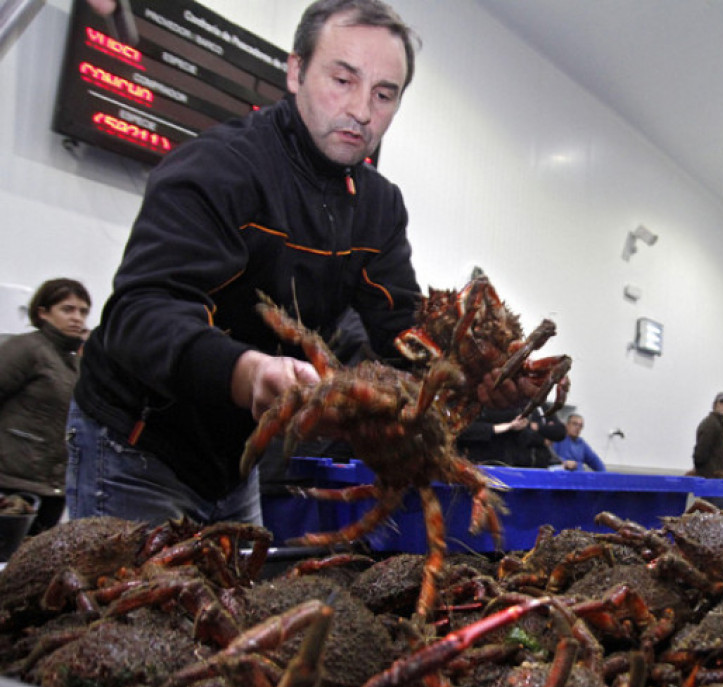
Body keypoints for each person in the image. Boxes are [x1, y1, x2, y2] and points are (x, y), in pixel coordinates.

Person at [66, 0, 526, 527]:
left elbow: (401, 333)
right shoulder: (219, 166)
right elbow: (142, 312)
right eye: (342, 79)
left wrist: (479, 376)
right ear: (296, 70)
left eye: (384, 94)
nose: (361, 110)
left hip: (240, 460)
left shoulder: (380, 206)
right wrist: (250, 372)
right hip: (137, 444)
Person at [0, 279, 91, 533]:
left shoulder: (74, 362)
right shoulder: (26, 349)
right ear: (43, 312)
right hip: (12, 483)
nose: (77, 318)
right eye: (67, 309)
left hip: (53, 487)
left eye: (83, 311)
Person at [457, 406, 564, 468]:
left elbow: (559, 431)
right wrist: (542, 439)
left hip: (508, 465)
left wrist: (536, 427)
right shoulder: (471, 403)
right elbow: (460, 430)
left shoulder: (540, 407)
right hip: (475, 462)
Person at [691, 391, 723, 478]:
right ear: (715, 405)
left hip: (717, 480)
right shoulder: (711, 425)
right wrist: (711, 473)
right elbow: (700, 456)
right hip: (711, 481)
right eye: (722, 403)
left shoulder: (718, 425)